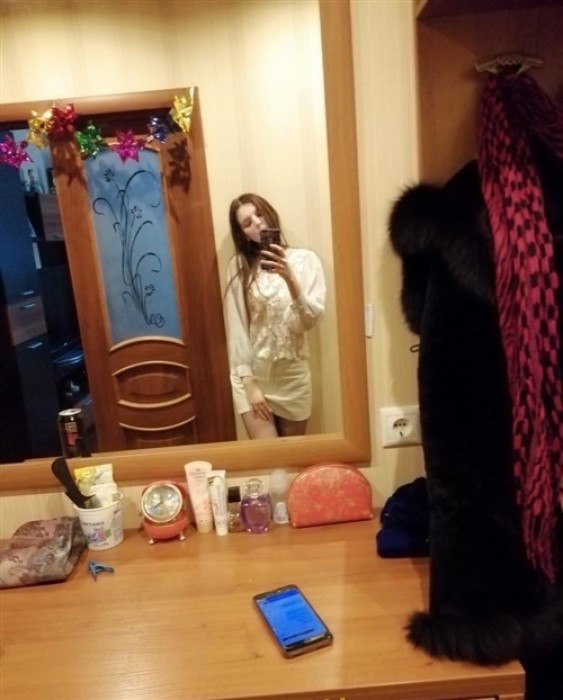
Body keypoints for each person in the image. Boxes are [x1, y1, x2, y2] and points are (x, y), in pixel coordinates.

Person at [225, 193, 326, 439]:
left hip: (293, 378)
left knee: (292, 458)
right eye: (247, 223)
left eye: (259, 214)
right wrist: (249, 383)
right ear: (243, 235)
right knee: (268, 456)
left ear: (270, 213)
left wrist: (289, 277)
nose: (257, 223)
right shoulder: (239, 266)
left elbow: (306, 323)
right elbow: (237, 326)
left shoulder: (306, 261)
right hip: (252, 376)